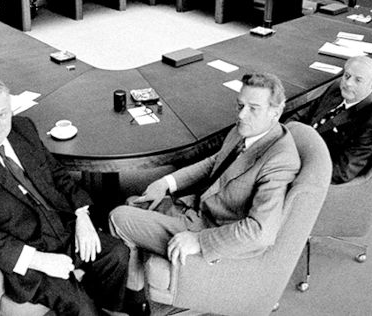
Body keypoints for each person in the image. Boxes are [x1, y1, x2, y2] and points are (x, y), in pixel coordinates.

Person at [0, 78, 136, 316]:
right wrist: (40, 260)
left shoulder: (23, 128)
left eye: (3, 114)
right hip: (24, 251)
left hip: (62, 227)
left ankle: (108, 308)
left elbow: (57, 174)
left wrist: (82, 216)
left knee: (117, 254)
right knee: (80, 305)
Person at [109, 73, 300, 302]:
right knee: (133, 202)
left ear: (275, 112)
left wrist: (199, 241)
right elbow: (213, 163)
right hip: (197, 208)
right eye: (240, 105)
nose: (241, 114)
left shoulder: (281, 159)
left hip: (211, 229)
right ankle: (136, 285)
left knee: (118, 216)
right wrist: (165, 183)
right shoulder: (246, 129)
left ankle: (129, 298)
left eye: (253, 108)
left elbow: (260, 233)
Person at [289, 56, 372, 184]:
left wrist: (298, 171)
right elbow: (302, 115)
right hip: (292, 149)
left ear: (371, 86)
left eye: (358, 80)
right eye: (347, 76)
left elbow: (344, 171)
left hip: (311, 170)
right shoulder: (336, 89)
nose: (348, 83)